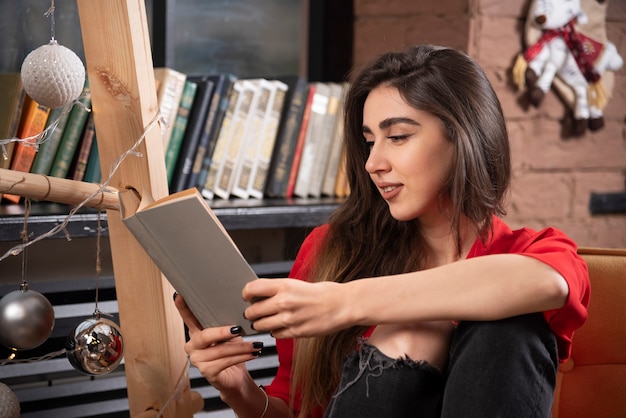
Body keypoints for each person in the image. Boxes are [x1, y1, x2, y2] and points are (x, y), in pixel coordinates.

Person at [175, 44, 590, 418]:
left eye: (397, 136)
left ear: (465, 137)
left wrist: (345, 302)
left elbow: (549, 282)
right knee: (412, 331)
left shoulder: (530, 252)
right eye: (369, 141)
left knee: (508, 322)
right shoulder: (329, 250)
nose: (373, 162)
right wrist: (240, 391)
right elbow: (298, 410)